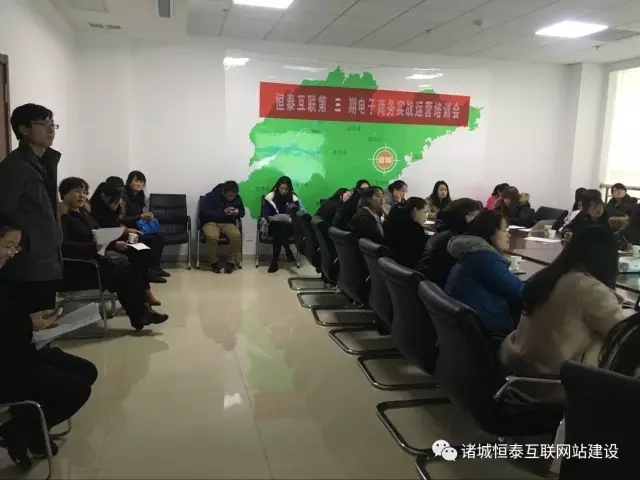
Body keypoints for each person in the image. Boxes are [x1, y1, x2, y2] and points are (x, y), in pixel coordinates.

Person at [0, 217, 98, 470]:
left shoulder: (4, 275)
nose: (11, 254)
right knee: (76, 389)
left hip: (20, 348)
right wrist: (28, 323)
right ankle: (23, 429)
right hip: (7, 363)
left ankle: (21, 426)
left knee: (87, 370)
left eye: (15, 248)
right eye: (8, 246)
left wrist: (34, 321)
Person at [501, 225, 624, 378]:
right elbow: (624, 332)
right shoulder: (587, 287)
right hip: (555, 381)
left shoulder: (550, 276)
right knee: (612, 341)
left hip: (521, 368)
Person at [59, 177, 169, 329]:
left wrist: (113, 242)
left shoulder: (83, 213)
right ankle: (141, 313)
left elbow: (98, 233)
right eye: (77, 192)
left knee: (132, 265)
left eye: (84, 192)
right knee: (127, 272)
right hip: (82, 265)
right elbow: (65, 246)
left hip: (98, 258)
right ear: (64, 193)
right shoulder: (61, 216)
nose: (82, 196)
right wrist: (98, 246)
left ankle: (142, 312)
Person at [0, 104, 63, 313]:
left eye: (53, 124)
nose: (51, 129)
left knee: (47, 316)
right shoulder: (14, 166)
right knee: (32, 319)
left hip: (49, 256)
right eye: (43, 124)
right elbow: (4, 213)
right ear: (24, 129)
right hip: (27, 262)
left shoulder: (47, 161)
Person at [445, 210, 525, 336]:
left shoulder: (473, 251)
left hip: (463, 330)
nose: (509, 235)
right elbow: (520, 290)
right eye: (504, 230)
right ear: (490, 232)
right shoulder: (485, 258)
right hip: (484, 333)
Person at [90, 180, 166, 284]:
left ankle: (147, 276)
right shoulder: (96, 210)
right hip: (107, 242)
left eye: (142, 182)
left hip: (115, 235)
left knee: (147, 244)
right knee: (139, 248)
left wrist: (125, 230)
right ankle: (142, 279)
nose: (122, 201)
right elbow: (99, 233)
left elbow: (115, 224)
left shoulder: (135, 199)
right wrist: (119, 238)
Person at [416, 198, 482, 287]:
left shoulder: (444, 230)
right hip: (436, 286)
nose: (475, 221)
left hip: (427, 285)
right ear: (463, 215)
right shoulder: (453, 238)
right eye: (473, 215)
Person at [122, 171, 169, 279]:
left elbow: (139, 215)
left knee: (159, 237)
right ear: (129, 182)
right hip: (126, 228)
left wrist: (146, 217)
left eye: (142, 182)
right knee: (148, 239)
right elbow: (122, 219)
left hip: (137, 226)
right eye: (136, 181)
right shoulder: (124, 196)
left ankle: (156, 268)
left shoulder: (140, 195)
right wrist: (141, 216)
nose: (139, 184)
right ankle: (148, 272)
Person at [201, 181, 245, 273]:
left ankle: (231, 262)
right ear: (223, 192)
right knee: (212, 237)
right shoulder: (211, 196)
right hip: (211, 222)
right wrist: (222, 211)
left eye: (234, 195)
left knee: (236, 235)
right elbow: (205, 213)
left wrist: (236, 212)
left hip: (228, 222)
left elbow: (242, 212)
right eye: (229, 195)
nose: (232, 198)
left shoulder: (237, 198)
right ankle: (213, 262)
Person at [262, 176, 300, 273]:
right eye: (281, 188)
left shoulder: (293, 198)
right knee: (279, 226)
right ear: (277, 187)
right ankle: (287, 249)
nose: (284, 191)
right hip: (272, 226)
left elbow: (297, 214)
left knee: (281, 227)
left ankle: (274, 262)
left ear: (289, 189)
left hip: (289, 227)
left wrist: (290, 219)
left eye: (286, 189)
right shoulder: (270, 197)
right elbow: (265, 214)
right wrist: (272, 218)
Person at [383, 197, 428, 268]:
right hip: (408, 268)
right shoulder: (414, 230)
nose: (426, 217)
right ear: (415, 210)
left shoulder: (392, 221)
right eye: (425, 212)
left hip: (393, 266)